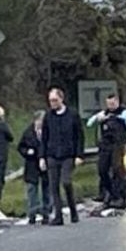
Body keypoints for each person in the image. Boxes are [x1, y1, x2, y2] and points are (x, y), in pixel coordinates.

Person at [40, 87, 85, 225]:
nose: (52, 103)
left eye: (55, 100)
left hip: (68, 155)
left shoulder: (72, 114)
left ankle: (73, 210)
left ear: (61, 99)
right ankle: (58, 216)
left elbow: (79, 135)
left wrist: (79, 155)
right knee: (54, 186)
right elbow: (44, 137)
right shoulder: (48, 116)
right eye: (50, 101)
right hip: (52, 154)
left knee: (66, 181)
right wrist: (42, 157)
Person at [87, 92, 126, 209]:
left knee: (117, 170)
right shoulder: (104, 113)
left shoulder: (125, 113)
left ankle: (119, 197)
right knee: (102, 170)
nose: (111, 106)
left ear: (118, 102)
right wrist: (98, 118)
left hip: (118, 145)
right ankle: (109, 193)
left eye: (113, 103)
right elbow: (89, 123)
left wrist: (118, 118)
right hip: (105, 145)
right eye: (109, 104)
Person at [17, 110, 51, 224]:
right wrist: (27, 152)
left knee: (47, 187)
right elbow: (20, 147)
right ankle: (32, 213)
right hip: (32, 163)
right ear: (36, 120)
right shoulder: (28, 132)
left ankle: (46, 212)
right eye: (40, 121)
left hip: (46, 163)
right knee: (32, 188)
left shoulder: (49, 131)